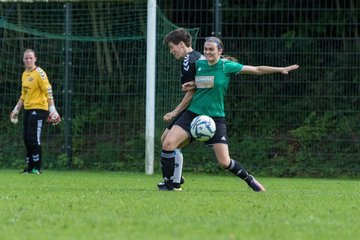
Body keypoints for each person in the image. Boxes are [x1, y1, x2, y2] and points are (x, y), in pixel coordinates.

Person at [160, 36, 299, 191]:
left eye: (211, 49)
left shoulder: (227, 66)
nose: (207, 52)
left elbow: (257, 69)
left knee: (224, 162)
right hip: (193, 114)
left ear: (220, 51)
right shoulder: (199, 64)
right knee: (168, 143)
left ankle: (250, 179)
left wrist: (280, 69)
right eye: (205, 49)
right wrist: (194, 83)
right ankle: (170, 186)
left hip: (215, 117)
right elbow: (205, 82)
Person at [157, 28, 204, 191]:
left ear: (181, 44)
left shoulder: (190, 60)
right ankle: (175, 178)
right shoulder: (194, 57)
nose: (171, 51)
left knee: (170, 142)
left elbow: (192, 91)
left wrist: (175, 111)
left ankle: (172, 182)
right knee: (166, 140)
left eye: (172, 47)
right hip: (194, 109)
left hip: (197, 110)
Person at [10, 49, 61, 174]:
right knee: (26, 138)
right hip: (27, 109)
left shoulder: (40, 73)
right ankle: (29, 168)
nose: (28, 60)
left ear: (35, 59)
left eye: (30, 58)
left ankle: (36, 168)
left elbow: (48, 90)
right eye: (26, 58)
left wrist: (52, 109)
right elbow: (23, 95)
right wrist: (16, 109)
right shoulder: (24, 74)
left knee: (33, 139)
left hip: (39, 109)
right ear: (23, 60)